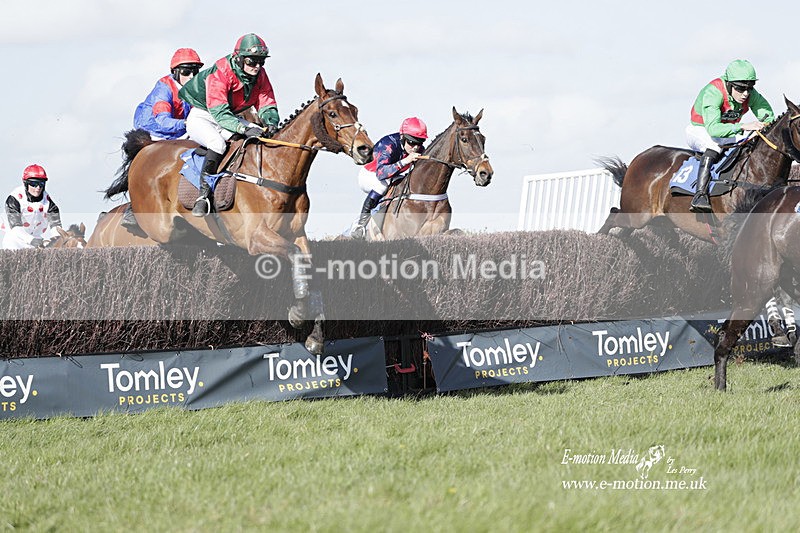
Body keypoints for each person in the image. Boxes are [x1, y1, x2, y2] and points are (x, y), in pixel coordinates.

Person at [179, 33, 280, 216]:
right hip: (203, 116)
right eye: (252, 62)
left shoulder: (259, 75)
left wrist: (271, 122)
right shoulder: (221, 72)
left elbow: (266, 101)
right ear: (239, 59)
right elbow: (219, 113)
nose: (257, 67)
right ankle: (203, 194)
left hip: (228, 116)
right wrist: (244, 128)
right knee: (217, 144)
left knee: (251, 140)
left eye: (261, 62)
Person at [686, 59, 774, 212]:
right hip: (700, 130)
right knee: (714, 146)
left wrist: (765, 124)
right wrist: (743, 126)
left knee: (750, 143)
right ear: (729, 83)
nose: (745, 94)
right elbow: (713, 130)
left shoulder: (749, 94)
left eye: (749, 88)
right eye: (740, 89)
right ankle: (700, 195)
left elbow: (768, 116)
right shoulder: (713, 92)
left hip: (726, 131)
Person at [351, 117, 428, 239]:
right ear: (402, 137)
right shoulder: (388, 144)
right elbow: (381, 173)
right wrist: (405, 161)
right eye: (412, 142)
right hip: (370, 174)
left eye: (420, 142)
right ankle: (360, 225)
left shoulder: (417, 148)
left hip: (392, 175)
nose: (415, 147)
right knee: (382, 185)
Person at [133, 48, 204, 140]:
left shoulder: (196, 87)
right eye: (186, 72)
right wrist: (186, 123)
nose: (191, 76)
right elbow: (162, 121)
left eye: (195, 72)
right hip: (154, 132)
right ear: (175, 72)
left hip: (179, 130)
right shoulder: (163, 90)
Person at [2, 164, 62, 250]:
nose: (38, 188)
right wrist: (31, 240)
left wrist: (56, 238)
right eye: (34, 184)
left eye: (41, 184)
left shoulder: (48, 201)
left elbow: (55, 224)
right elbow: (15, 227)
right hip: (15, 240)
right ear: (26, 183)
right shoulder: (14, 199)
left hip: (37, 240)